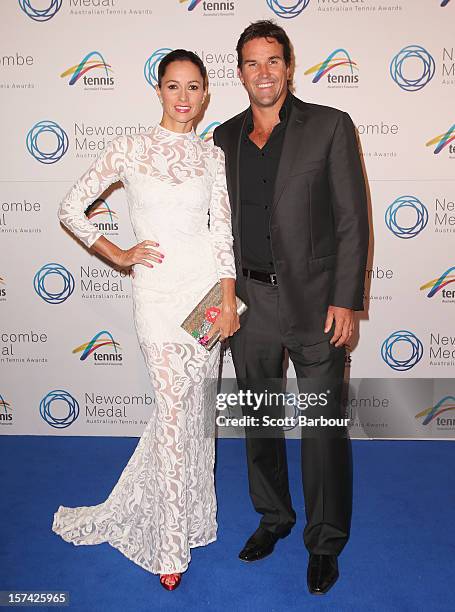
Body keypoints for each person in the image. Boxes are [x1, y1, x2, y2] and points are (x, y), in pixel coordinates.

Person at [52, 49, 239, 591]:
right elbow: (70, 207)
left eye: (194, 87)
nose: (184, 97)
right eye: (173, 86)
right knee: (174, 412)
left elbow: (221, 232)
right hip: (157, 296)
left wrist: (227, 297)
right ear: (158, 90)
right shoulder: (129, 148)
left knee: (196, 413)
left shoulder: (212, 156)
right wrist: (118, 252)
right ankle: (168, 543)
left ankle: (193, 520)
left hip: (205, 296)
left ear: (206, 95)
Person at [213, 21, 369, 595]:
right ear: (239, 71)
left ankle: (325, 540)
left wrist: (345, 301)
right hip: (248, 304)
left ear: (289, 65)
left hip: (314, 304)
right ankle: (273, 516)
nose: (264, 73)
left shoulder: (328, 126)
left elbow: (353, 221)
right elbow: (213, 229)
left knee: (324, 429)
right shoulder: (223, 138)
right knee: (259, 418)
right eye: (252, 63)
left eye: (272, 61)